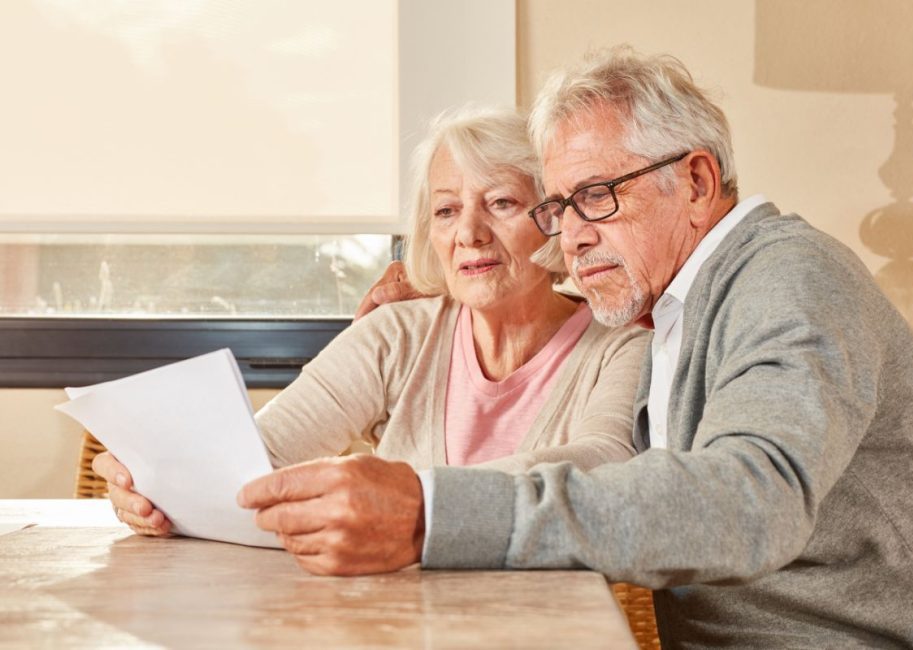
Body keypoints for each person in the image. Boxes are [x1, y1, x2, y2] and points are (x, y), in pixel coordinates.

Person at [236, 48, 913, 646]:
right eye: (558, 207)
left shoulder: (789, 279)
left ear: (695, 179)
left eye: (597, 195)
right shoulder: (663, 309)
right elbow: (536, 279)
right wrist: (445, 285)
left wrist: (432, 509)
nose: (574, 232)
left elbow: (750, 503)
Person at [94, 106, 647, 542]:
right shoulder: (396, 334)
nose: (469, 234)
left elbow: (603, 465)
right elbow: (259, 458)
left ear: (552, 217)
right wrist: (152, 479)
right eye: (447, 210)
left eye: (501, 202)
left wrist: (408, 496)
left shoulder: (619, 346)